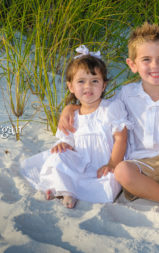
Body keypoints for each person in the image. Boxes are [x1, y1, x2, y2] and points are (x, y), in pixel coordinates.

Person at [58, 23, 159, 231]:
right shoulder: (126, 95)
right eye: (146, 60)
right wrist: (71, 107)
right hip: (143, 172)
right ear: (132, 65)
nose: (154, 66)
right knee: (121, 170)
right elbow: (97, 106)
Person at [21, 45, 130, 208]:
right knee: (58, 156)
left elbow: (121, 138)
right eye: (81, 81)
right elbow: (68, 138)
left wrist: (112, 163)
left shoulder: (110, 109)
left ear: (104, 85)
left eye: (95, 81)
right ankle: (65, 190)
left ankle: (67, 189)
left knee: (109, 182)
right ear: (71, 86)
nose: (88, 87)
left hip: (104, 163)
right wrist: (65, 144)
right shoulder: (73, 115)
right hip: (80, 161)